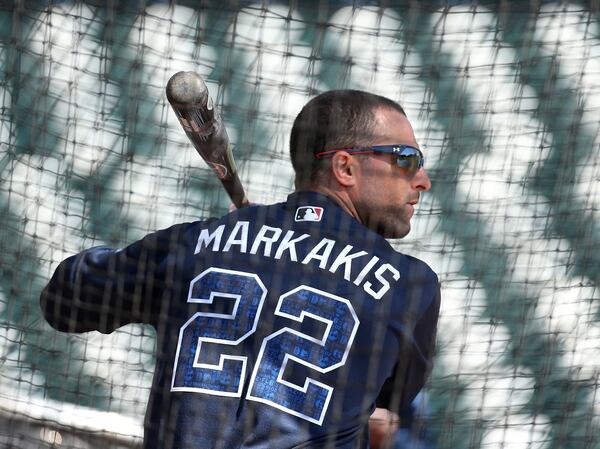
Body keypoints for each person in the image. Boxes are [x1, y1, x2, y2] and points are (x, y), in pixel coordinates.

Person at [40, 89, 441, 449]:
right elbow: (388, 400)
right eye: (406, 159)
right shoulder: (409, 285)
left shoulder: (192, 246)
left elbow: (64, 299)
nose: (421, 180)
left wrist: (217, 244)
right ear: (345, 167)